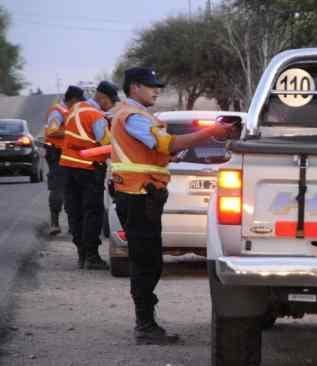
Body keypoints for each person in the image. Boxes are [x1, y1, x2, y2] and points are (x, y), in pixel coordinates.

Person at [111, 67, 238, 345]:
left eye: (157, 85)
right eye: (150, 86)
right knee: (146, 263)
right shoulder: (132, 117)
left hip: (142, 195)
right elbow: (167, 145)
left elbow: (160, 152)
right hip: (137, 196)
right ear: (134, 87)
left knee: (149, 261)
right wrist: (210, 133)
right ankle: (144, 327)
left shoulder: (139, 116)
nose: (157, 90)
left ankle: (146, 323)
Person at [59, 84, 112, 270]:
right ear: (103, 98)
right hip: (89, 169)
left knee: (75, 211)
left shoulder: (75, 109)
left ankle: (81, 253)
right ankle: (92, 256)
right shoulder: (96, 115)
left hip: (67, 166)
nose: (110, 107)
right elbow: (105, 142)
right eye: (110, 102)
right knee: (92, 211)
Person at [43, 86, 84, 235]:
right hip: (57, 154)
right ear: (73, 99)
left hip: (67, 154)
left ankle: (73, 225)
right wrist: (74, 133)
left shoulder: (69, 111)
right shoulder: (57, 111)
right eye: (79, 101)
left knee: (71, 189)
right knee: (58, 188)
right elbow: (52, 130)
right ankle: (54, 223)